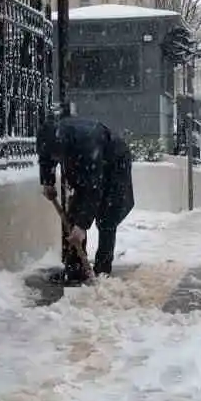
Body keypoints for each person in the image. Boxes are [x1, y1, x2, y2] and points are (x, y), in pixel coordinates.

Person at [38, 114, 135, 284]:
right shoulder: (47, 137)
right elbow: (45, 158)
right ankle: (75, 271)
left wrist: (82, 226)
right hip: (85, 166)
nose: (55, 158)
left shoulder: (86, 143)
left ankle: (102, 272)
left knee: (107, 217)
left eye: (58, 155)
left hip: (114, 164)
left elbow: (93, 189)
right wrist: (48, 182)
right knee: (73, 215)